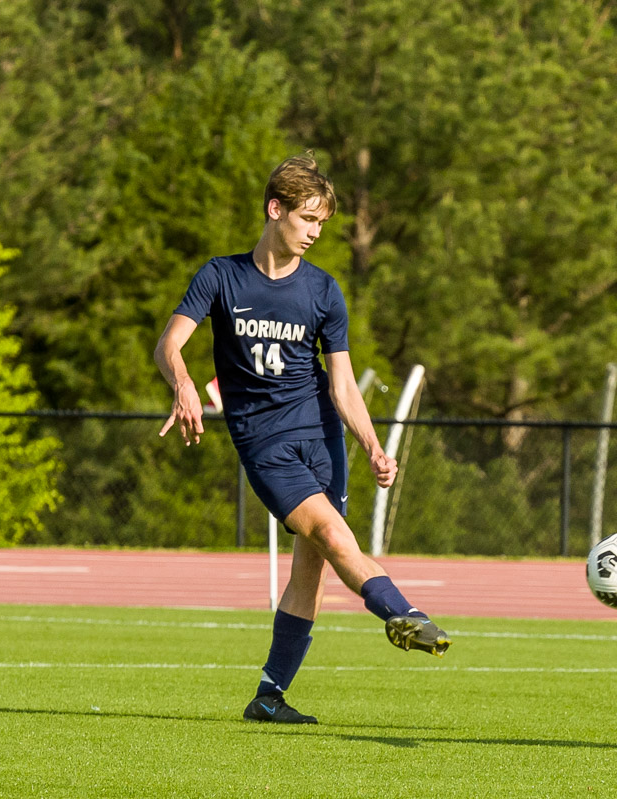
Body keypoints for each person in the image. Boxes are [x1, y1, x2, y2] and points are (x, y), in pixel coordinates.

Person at [154, 154, 451, 725]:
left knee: (311, 569)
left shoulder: (323, 291)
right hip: (262, 441)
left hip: (322, 435)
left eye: (322, 222)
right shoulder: (220, 276)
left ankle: (269, 697)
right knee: (330, 531)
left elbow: (341, 380)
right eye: (308, 218)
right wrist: (184, 384)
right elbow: (170, 344)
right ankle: (402, 612)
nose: (316, 232)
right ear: (276, 210)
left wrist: (370, 445)